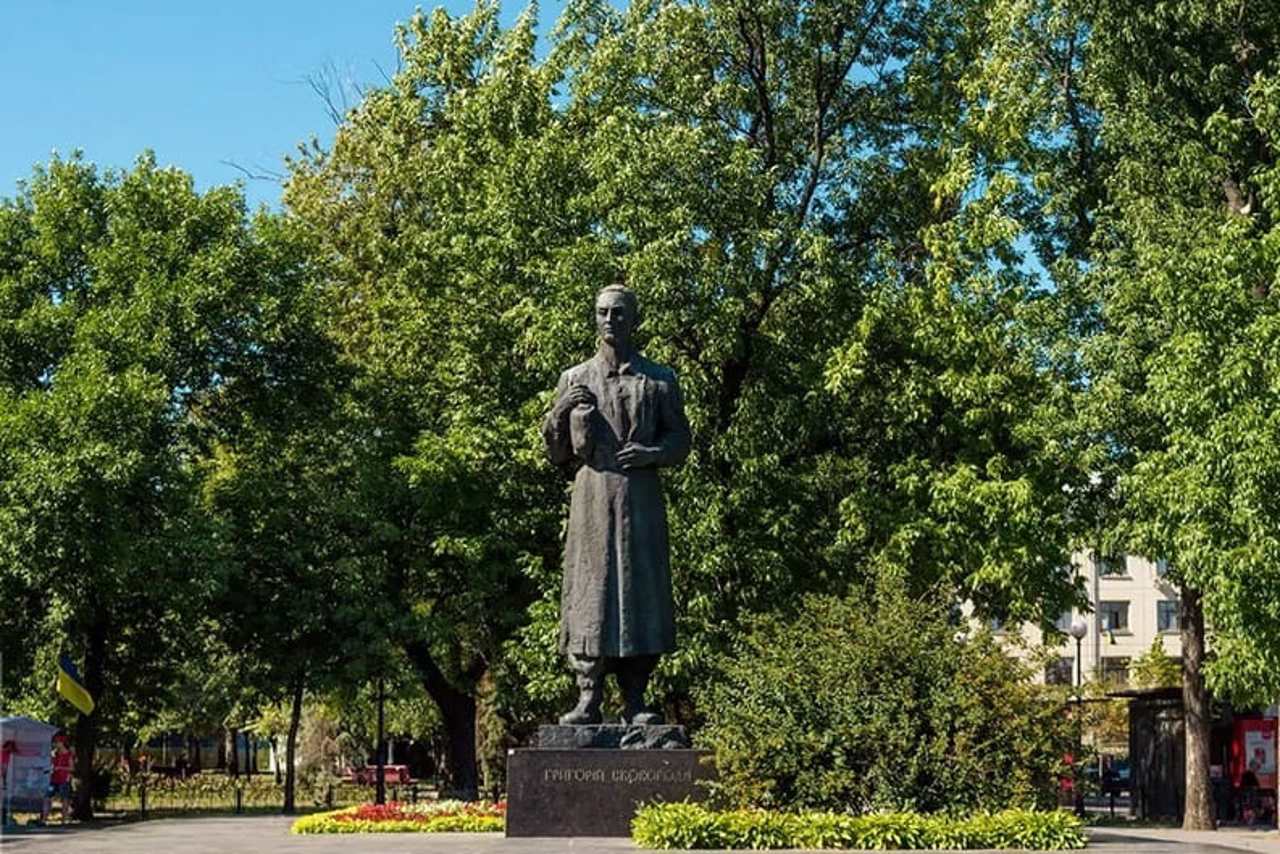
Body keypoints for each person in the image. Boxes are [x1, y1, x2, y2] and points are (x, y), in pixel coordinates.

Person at [542, 283, 691, 725]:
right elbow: (556, 454)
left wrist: (653, 455)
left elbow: (681, 440)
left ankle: (636, 699)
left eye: (619, 313)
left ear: (633, 318)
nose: (610, 320)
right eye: (603, 312)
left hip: (640, 503)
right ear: (595, 317)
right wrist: (559, 412)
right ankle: (588, 696)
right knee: (591, 592)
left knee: (639, 592)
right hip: (591, 501)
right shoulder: (575, 378)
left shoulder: (660, 379)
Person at [48, 735, 74, 823]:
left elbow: (72, 768)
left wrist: (60, 768)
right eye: (55, 742)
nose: (55, 744)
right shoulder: (54, 754)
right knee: (47, 797)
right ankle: (44, 818)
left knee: (64, 798)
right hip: (53, 779)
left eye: (57, 742)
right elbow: (51, 764)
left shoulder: (68, 754)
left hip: (64, 779)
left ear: (62, 743)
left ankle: (64, 819)